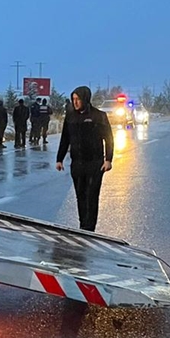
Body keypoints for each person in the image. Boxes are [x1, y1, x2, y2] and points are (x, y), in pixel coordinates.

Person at [55, 86, 113, 231]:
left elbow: (109, 138)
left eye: (78, 99)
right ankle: (83, 226)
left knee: (92, 196)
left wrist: (108, 159)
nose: (75, 102)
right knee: (80, 195)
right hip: (77, 164)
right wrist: (59, 159)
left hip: (95, 163)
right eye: (73, 99)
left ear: (85, 99)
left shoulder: (99, 116)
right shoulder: (71, 117)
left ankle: (90, 227)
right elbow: (65, 138)